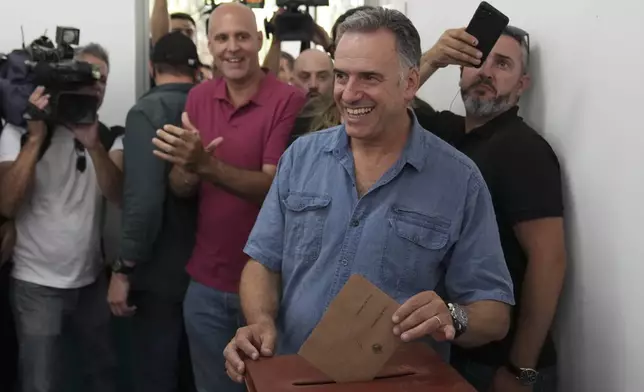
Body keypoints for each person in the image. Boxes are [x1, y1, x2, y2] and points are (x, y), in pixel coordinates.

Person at [223, 6, 515, 385]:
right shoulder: (300, 158)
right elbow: (262, 262)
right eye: (342, 75)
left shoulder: (459, 180)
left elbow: (494, 313)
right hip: (293, 378)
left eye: (370, 77)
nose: (349, 92)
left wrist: (454, 316)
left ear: (410, 83)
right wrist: (260, 322)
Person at [151, 3, 307, 391]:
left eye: (241, 36)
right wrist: (187, 168)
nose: (232, 47)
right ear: (209, 45)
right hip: (205, 286)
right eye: (222, 38)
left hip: (271, 291)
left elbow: (273, 187)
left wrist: (204, 164)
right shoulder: (198, 98)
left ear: (259, 40)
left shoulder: (287, 100)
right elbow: (180, 187)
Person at [419, 26, 566, 392]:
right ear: (459, 70)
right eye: (477, 60)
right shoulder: (446, 133)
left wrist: (520, 370)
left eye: (502, 64)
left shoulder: (522, 149)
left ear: (521, 84)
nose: (486, 71)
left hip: (500, 365)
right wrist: (432, 58)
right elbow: (376, 104)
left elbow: (550, 261)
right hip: (456, 350)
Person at [0, 43, 122, 392]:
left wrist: (94, 146)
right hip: (36, 284)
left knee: (102, 375)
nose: (93, 86)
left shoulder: (108, 135)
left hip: (90, 282)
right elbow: (7, 203)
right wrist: (36, 139)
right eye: (85, 75)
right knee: (41, 382)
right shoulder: (19, 132)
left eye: (101, 79)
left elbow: (117, 195)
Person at [108, 31, 201, 392]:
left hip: (160, 273)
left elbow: (143, 202)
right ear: (196, 70)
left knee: (157, 375)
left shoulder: (146, 112)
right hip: (208, 270)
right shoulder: (211, 107)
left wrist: (124, 267)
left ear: (151, 67)